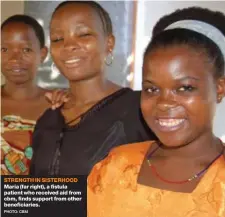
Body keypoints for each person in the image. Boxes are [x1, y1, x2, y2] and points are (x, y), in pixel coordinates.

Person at [88, 7, 225, 217]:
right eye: (152, 89)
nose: (164, 103)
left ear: (219, 89)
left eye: (184, 88)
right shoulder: (117, 164)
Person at [30, 1, 155, 176]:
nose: (68, 45)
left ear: (109, 43)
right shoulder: (47, 120)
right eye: (58, 39)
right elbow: (36, 197)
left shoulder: (140, 109)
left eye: (83, 34)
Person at [1, 15, 69, 175]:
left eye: (26, 49)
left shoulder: (58, 104)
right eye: (4, 49)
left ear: (43, 54)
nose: (15, 58)